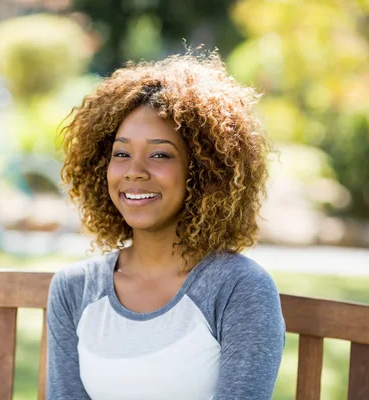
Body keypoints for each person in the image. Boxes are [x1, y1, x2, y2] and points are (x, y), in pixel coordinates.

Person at [46, 51, 286, 400]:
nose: (134, 171)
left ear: (203, 171)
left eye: (160, 154)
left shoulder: (240, 289)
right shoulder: (74, 289)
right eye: (121, 153)